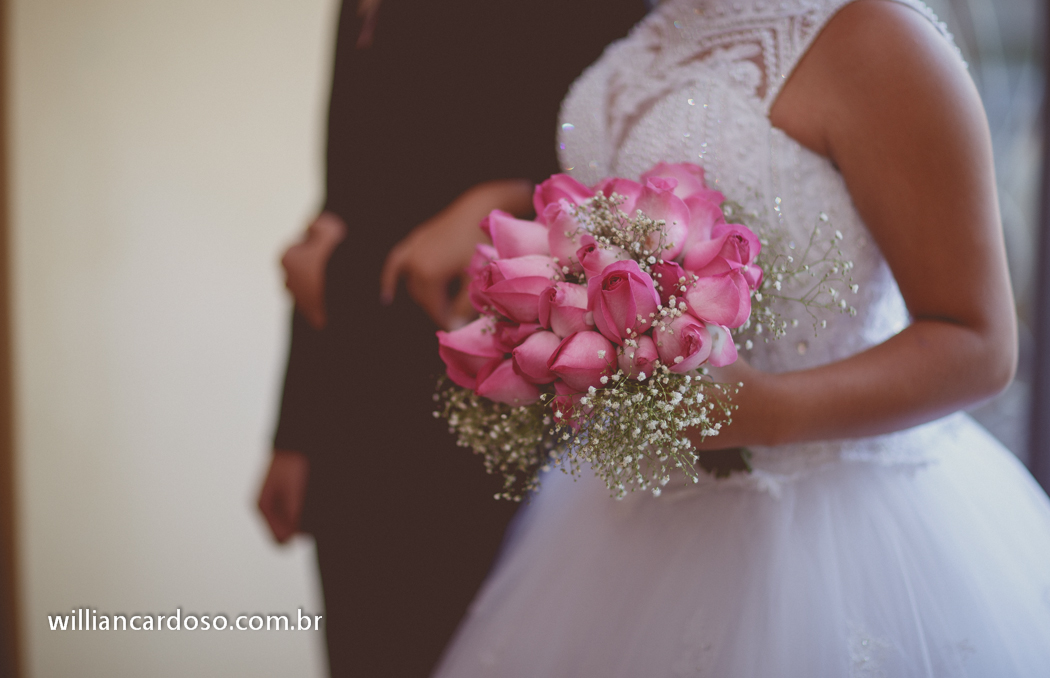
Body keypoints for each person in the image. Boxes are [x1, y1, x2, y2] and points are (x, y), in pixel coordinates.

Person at [428, 0, 1050, 675]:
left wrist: (765, 412)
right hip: (635, 523)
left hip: (840, 535)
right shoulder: (656, 27)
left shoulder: (875, 35)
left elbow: (979, 343)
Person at [255, 1, 646, 676]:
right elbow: (344, 198)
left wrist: (514, 195)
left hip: (490, 403)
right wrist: (297, 427)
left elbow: (596, 155)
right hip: (354, 407)